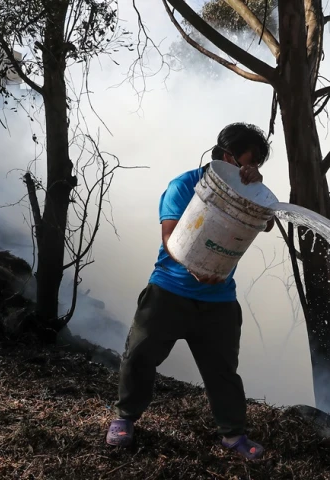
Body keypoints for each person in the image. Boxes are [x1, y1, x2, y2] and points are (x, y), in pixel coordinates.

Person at [106, 123, 274, 460]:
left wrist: (257, 191)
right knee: (140, 357)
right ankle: (124, 419)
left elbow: (267, 221)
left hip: (219, 301)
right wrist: (194, 267)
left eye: (257, 163)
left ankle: (234, 436)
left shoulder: (248, 191)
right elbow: (170, 238)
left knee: (223, 372)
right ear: (227, 155)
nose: (253, 167)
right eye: (249, 159)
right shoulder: (185, 186)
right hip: (169, 292)